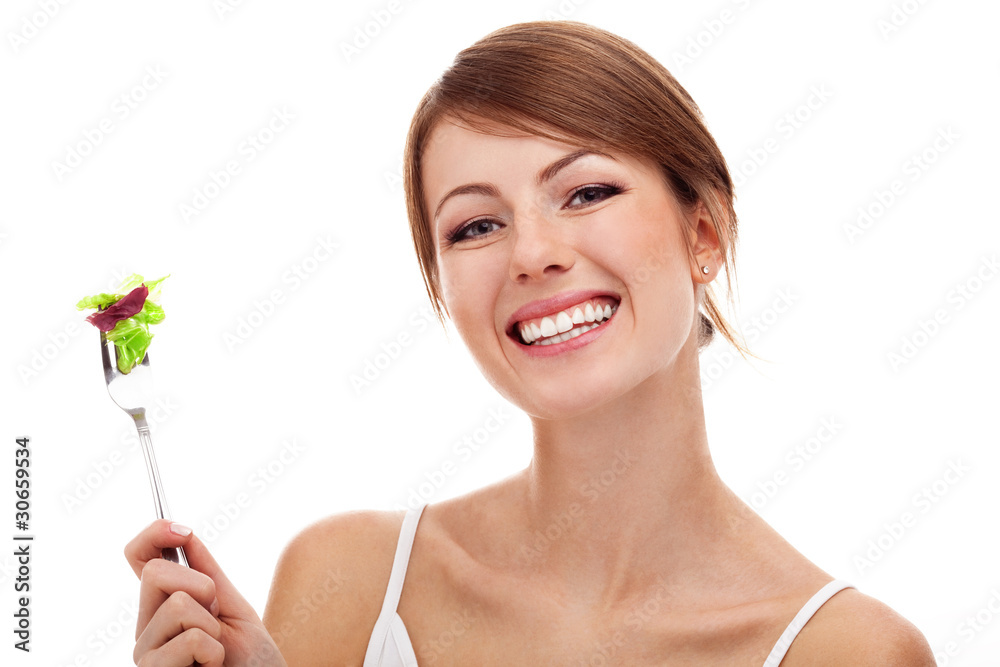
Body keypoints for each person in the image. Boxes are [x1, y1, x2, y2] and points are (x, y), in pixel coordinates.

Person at [125, 20, 936, 665]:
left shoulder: (849, 651)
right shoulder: (350, 583)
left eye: (585, 192)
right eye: (477, 224)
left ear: (705, 230)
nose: (531, 253)